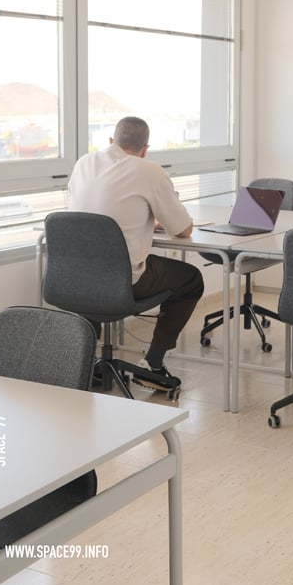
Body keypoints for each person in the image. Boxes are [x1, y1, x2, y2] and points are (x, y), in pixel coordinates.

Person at [68, 116, 204, 393]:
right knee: (191, 279)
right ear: (145, 149)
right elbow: (183, 229)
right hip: (122, 281)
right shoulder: (148, 170)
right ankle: (153, 364)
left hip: (73, 278)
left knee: (94, 275)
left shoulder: (83, 163)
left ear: (111, 141)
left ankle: (83, 365)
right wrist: (152, 220)